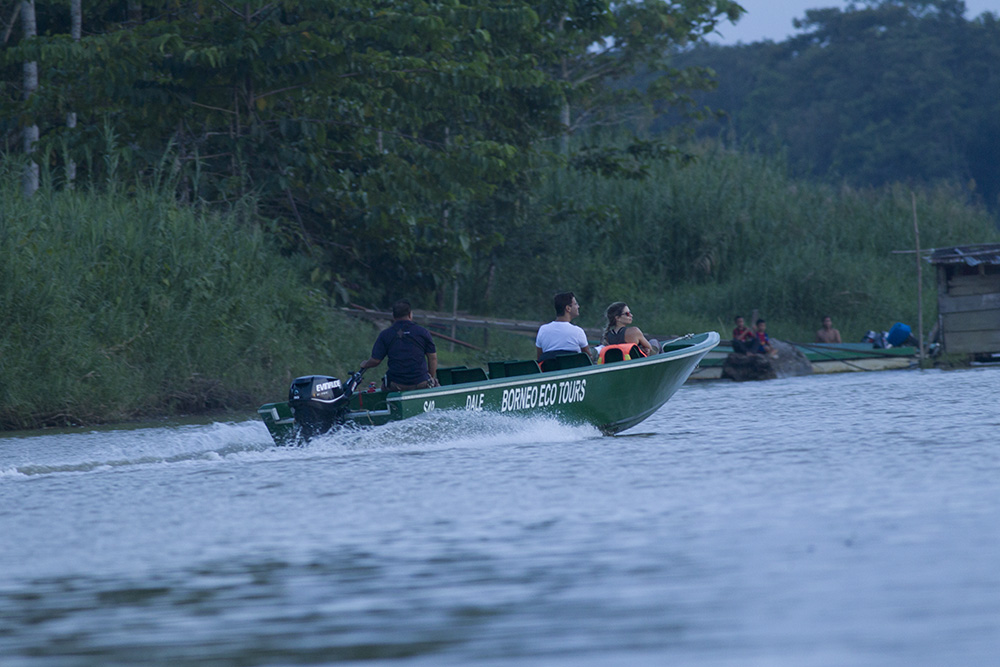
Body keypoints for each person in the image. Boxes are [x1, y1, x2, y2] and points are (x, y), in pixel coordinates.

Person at [360, 299, 438, 391]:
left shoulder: (385, 334)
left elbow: (375, 361)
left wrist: (365, 364)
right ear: (410, 314)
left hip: (395, 384)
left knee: (384, 387)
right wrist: (430, 377)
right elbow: (432, 358)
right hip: (421, 383)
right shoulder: (423, 332)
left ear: (393, 316)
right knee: (437, 386)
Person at [535, 292, 592, 361]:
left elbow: (540, 359)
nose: (578, 306)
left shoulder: (542, 330)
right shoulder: (578, 332)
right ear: (568, 308)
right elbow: (588, 358)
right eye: (575, 304)